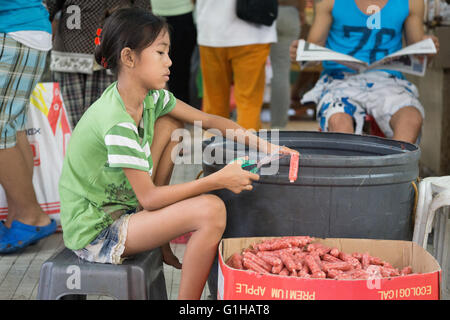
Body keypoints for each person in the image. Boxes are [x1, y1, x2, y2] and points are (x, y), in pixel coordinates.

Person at [58, 8, 297, 300]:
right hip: (97, 232)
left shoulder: (151, 98)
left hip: (127, 210)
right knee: (211, 210)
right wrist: (218, 180)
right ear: (129, 57)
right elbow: (149, 198)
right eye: (160, 53)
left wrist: (269, 147)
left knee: (172, 124)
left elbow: (212, 121)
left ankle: (157, 233)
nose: (169, 61)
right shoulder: (116, 120)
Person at [289, 0, 440, 144]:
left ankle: (394, 167)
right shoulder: (329, 1)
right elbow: (314, 48)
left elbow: (417, 52)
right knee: (339, 122)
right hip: (338, 81)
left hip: (389, 81)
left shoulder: (411, 2)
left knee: (411, 120)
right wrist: (300, 53)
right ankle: (351, 169)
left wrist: (428, 49)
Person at [0, 0, 57, 253]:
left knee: (3, 129)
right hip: (22, 28)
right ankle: (19, 217)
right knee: (12, 126)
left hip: (12, 30)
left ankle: (30, 215)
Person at [46, 0, 151, 128]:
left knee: (110, 123)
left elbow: (144, 15)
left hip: (114, 52)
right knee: (70, 124)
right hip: (70, 56)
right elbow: (47, 9)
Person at [194, 0, 277, 131]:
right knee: (248, 102)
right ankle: (248, 148)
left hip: (211, 29)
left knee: (214, 101)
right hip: (253, 33)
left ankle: (214, 147)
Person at [150, 0, 197, 105]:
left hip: (183, 13)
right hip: (153, 14)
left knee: (181, 72)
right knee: (155, 71)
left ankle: (181, 114)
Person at [270, 0, 307, 128]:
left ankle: (243, 120)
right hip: (289, 11)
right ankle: (278, 126)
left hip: (260, 13)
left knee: (250, 69)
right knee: (281, 72)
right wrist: (301, 11)